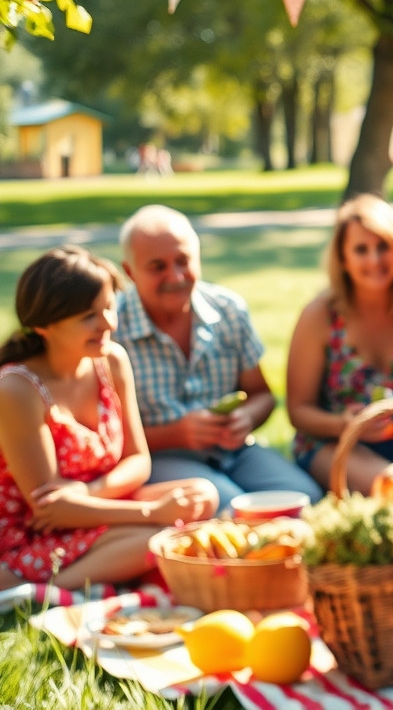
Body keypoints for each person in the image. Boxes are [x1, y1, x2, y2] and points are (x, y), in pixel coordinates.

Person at [0, 248, 216, 590]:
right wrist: (150, 513)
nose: (108, 324)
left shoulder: (111, 361)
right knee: (161, 538)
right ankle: (41, 592)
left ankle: (106, 569)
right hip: (33, 536)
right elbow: (52, 510)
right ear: (42, 325)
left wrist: (90, 490)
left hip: (98, 508)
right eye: (89, 316)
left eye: (109, 308)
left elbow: (138, 460)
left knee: (203, 495)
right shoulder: (17, 388)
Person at [115, 205, 322, 513]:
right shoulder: (113, 328)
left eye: (183, 261)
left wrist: (246, 418)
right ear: (130, 272)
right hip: (157, 459)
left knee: (306, 499)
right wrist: (177, 434)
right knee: (229, 510)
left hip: (235, 451)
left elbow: (262, 394)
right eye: (157, 267)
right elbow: (104, 439)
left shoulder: (227, 309)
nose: (175, 275)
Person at [285, 195, 393, 494]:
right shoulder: (320, 315)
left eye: (383, 246)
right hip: (334, 439)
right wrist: (343, 424)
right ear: (343, 259)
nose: (375, 260)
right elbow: (298, 411)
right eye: (361, 250)